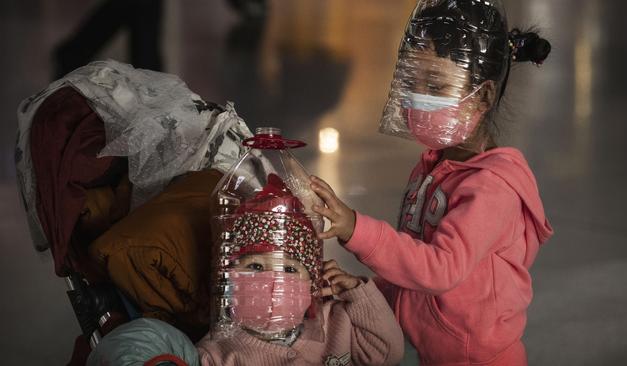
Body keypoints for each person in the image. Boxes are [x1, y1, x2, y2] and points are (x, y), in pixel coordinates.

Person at [309, 0, 554, 365]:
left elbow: (439, 268)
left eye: (436, 85)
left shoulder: (492, 188)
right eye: (412, 82)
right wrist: (366, 292)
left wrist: (355, 229)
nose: (417, 98)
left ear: (483, 96)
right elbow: (411, 260)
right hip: (421, 350)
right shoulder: (434, 165)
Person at [197, 178, 404, 366]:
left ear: (312, 280)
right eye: (255, 266)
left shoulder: (336, 321)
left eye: (289, 269)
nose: (275, 281)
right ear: (229, 276)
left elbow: (387, 354)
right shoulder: (216, 353)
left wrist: (358, 294)